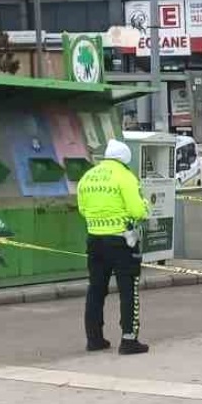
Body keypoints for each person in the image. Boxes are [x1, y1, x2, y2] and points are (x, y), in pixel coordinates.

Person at [77, 139, 150, 355]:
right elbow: (137, 211)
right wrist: (146, 205)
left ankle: (94, 339)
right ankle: (128, 340)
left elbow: (82, 209)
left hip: (94, 240)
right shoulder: (125, 176)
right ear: (125, 159)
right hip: (121, 241)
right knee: (128, 290)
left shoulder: (88, 176)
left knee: (96, 289)